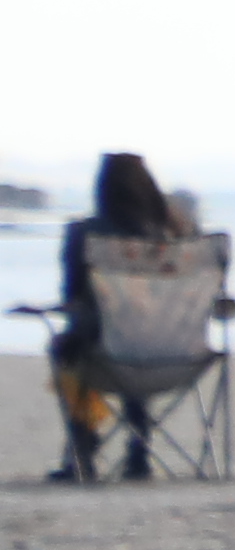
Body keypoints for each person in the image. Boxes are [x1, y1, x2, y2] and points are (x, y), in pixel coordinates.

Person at [47, 150, 183, 484]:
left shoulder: (85, 234)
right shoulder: (175, 237)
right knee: (137, 334)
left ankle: (84, 449)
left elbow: (72, 296)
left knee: (69, 347)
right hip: (175, 353)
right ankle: (140, 452)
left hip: (105, 353)